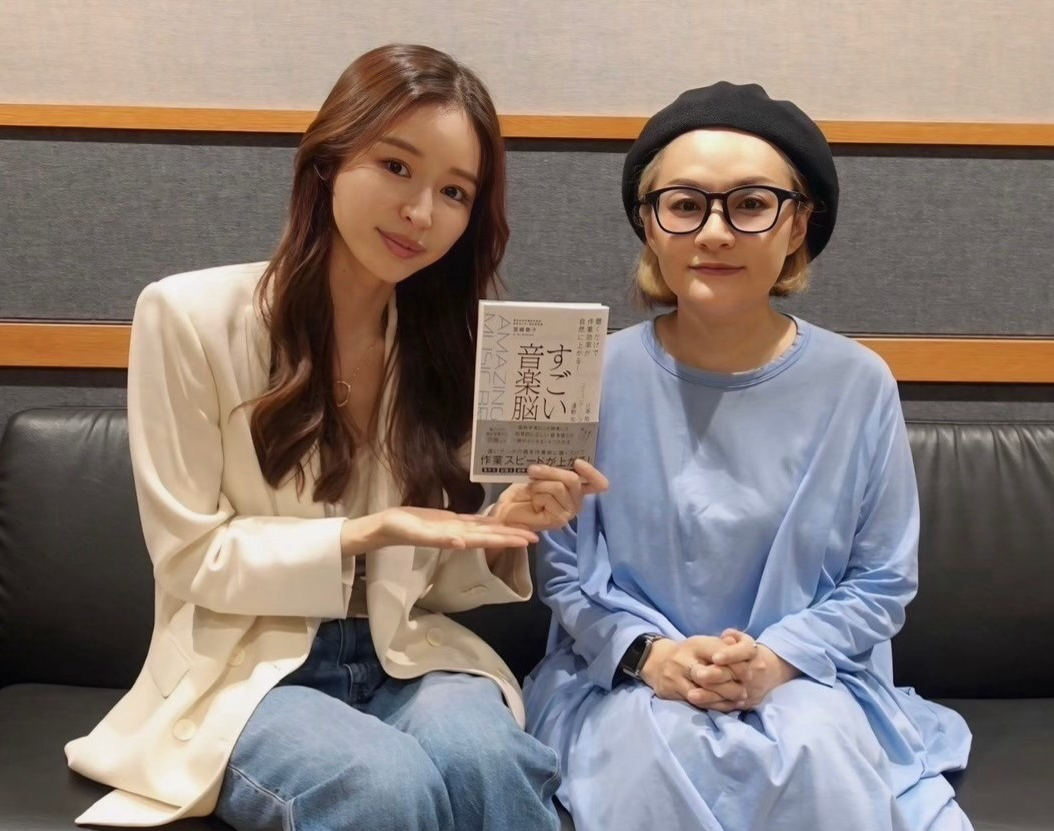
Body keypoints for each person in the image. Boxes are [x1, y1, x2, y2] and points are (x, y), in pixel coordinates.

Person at [65, 43, 607, 831]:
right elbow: (190, 557)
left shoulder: (445, 349)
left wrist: (500, 530)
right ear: (328, 160)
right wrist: (363, 532)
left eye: (454, 191)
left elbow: (427, 585)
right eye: (396, 166)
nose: (421, 212)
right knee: (380, 786)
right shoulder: (188, 317)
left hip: (405, 651)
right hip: (248, 670)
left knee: (490, 760)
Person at [523, 82, 973, 830]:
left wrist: (773, 660)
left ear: (797, 224)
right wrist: (651, 657)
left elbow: (883, 579)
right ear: (649, 222)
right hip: (625, 680)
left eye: (752, 204)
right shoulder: (585, 374)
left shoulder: (858, 383)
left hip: (809, 678)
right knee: (646, 758)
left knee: (814, 751)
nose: (715, 233)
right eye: (685, 204)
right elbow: (564, 573)